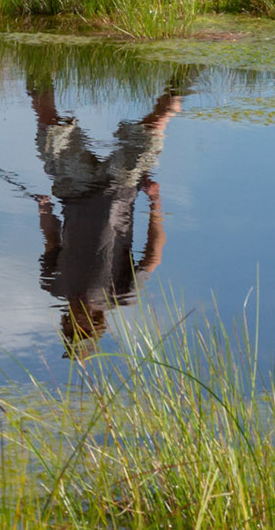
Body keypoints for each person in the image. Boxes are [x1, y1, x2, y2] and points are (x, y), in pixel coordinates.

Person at [27, 77, 177, 359]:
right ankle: (182, 77)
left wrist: (44, 210)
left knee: (48, 123)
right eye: (80, 332)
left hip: (73, 189)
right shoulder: (120, 296)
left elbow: (51, 242)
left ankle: (39, 64)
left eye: (69, 332)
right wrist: (155, 202)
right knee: (157, 123)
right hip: (120, 192)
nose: (73, 326)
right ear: (95, 327)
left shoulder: (53, 284)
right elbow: (153, 257)